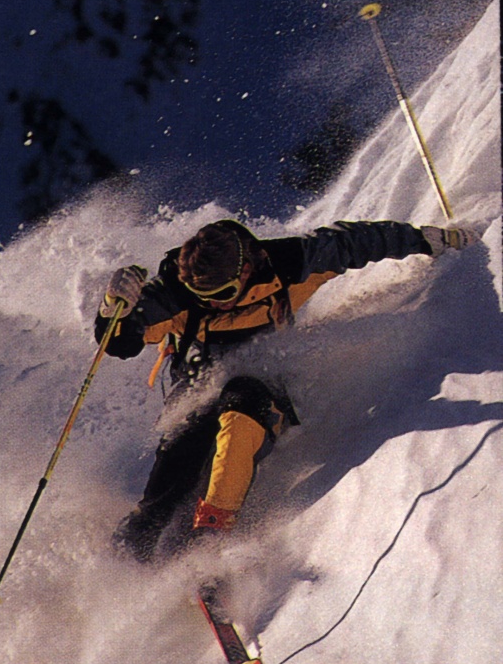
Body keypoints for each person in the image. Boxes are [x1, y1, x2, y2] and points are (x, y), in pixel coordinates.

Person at [95, 217, 480, 561]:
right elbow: (120, 342)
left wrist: (426, 239)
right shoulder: (173, 294)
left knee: (242, 409)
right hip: (198, 382)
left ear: (246, 269)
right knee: (183, 448)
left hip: (264, 381)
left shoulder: (291, 263)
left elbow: (357, 241)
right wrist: (115, 309)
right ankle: (138, 536)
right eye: (203, 299)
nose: (214, 305)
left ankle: (212, 529)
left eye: (223, 294)